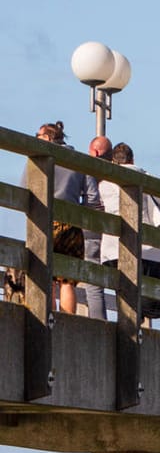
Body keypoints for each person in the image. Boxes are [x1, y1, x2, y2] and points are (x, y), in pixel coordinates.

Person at [97, 143, 160, 323]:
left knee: (123, 289)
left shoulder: (106, 183)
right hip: (147, 248)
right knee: (148, 293)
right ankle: (138, 322)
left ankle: (128, 324)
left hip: (113, 248)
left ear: (114, 162)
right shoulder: (147, 177)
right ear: (132, 159)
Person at [21, 122, 91, 315]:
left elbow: (24, 188)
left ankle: (47, 318)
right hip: (72, 224)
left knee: (47, 277)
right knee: (67, 280)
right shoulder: (77, 160)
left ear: (47, 138)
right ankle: (68, 320)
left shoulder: (38, 157)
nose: (35, 137)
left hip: (45, 222)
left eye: (38, 134)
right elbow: (91, 196)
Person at [79, 135, 111, 319]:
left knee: (93, 282)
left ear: (95, 152)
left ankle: (98, 321)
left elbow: (91, 198)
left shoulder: (88, 169)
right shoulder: (117, 173)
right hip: (112, 232)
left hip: (91, 228)